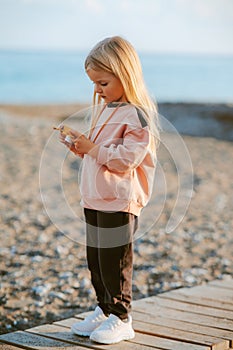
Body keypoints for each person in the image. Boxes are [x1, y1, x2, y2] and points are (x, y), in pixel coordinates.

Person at [59, 36, 160, 345]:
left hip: (120, 200)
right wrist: (81, 146)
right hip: (95, 197)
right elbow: (102, 150)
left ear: (124, 75)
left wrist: (93, 148)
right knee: (97, 260)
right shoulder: (105, 109)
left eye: (102, 82)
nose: (97, 90)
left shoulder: (135, 115)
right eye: (94, 83)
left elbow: (125, 160)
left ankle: (122, 317)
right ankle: (104, 310)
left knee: (115, 262)